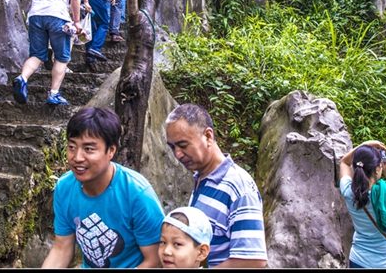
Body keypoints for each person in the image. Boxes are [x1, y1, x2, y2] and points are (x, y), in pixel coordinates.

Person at [42, 107, 165, 268]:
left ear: (111, 150)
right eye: (72, 147)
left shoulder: (137, 193)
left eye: (89, 149)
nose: (77, 157)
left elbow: (155, 261)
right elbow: (62, 249)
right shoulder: (65, 187)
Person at [164, 103, 267, 268]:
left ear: (208, 136)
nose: (177, 154)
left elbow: (253, 260)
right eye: (172, 147)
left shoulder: (238, 187)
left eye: (183, 145)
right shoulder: (202, 178)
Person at [13, 0, 82, 106]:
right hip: (57, 15)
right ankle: (54, 93)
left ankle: (22, 78)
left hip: (36, 15)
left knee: (37, 54)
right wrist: (77, 21)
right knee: (62, 57)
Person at [339, 140, 386, 269]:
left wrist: (365, 145)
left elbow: (344, 162)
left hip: (358, 260)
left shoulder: (348, 192)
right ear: (377, 168)